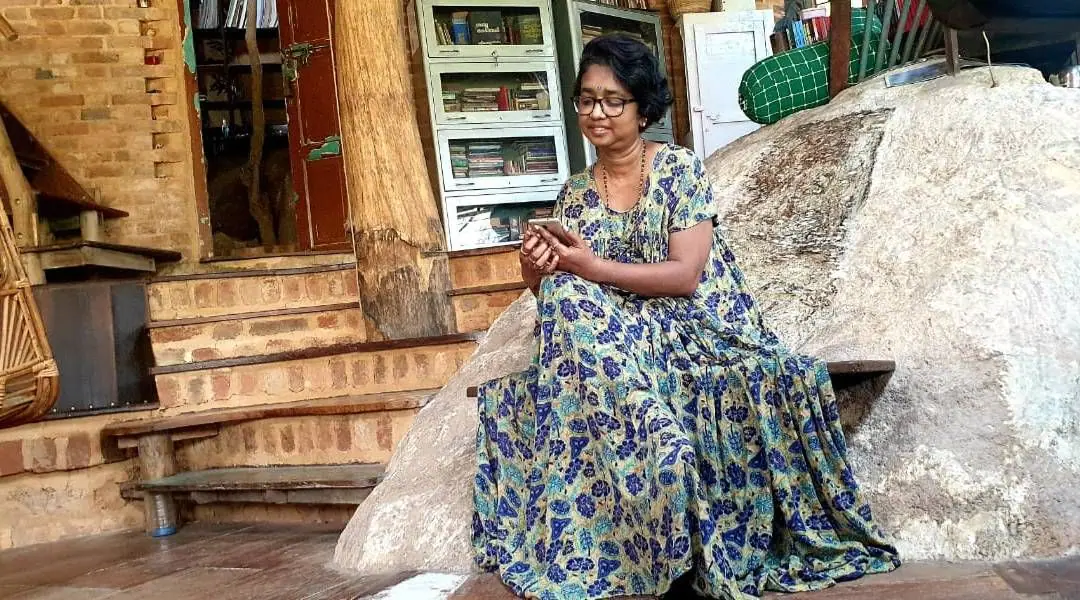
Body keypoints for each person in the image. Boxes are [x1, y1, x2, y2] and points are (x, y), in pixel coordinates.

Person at [471, 34, 899, 600]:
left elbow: (685, 275)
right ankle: (654, 446)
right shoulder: (573, 193)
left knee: (576, 301)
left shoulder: (677, 169)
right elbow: (562, 289)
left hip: (690, 325)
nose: (597, 113)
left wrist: (590, 267)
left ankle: (661, 463)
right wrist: (537, 270)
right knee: (563, 301)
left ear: (643, 108)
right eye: (587, 99)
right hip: (615, 334)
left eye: (613, 100)